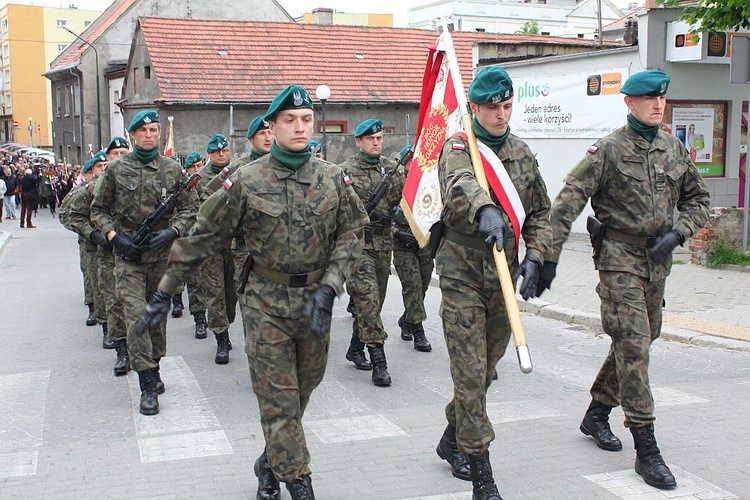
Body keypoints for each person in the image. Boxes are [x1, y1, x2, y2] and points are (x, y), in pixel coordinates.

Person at [134, 84, 367, 499]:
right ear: (272, 127)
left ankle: (269, 461)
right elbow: (203, 236)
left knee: (300, 394)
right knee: (279, 401)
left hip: (316, 301)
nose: (300, 128)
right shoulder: (245, 180)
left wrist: (332, 285)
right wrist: (164, 293)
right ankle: (300, 483)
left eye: (307, 120)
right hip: (265, 304)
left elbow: (353, 232)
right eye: (289, 121)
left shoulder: (332, 178)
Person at [538, 70, 710, 491]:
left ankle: (597, 411)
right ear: (629, 102)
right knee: (634, 344)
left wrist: (678, 232)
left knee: (643, 338)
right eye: (648, 98)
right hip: (618, 259)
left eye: (661, 99)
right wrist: (545, 255)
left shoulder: (673, 146)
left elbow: (699, 200)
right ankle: (646, 446)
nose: (657, 105)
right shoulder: (608, 151)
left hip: (658, 260)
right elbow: (567, 204)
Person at [433, 65, 552, 499]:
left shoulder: (521, 152)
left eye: (506, 106)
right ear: (474, 108)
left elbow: (540, 211)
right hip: (463, 273)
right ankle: (482, 474)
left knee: (484, 371)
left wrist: (537, 255)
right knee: (468, 373)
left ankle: (452, 437)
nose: (501, 115)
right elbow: (460, 183)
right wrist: (485, 209)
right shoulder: (459, 146)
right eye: (492, 108)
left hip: (504, 275)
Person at [90, 110, 197, 416]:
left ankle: (155, 365)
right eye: (144, 130)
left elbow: (189, 209)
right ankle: (147, 385)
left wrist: (173, 231)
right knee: (137, 319)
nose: (150, 135)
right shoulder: (115, 169)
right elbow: (98, 210)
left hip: (160, 259)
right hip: (129, 259)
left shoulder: (172, 169)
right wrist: (113, 237)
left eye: (154, 129)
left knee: (156, 321)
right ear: (133, 134)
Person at [340, 119, 406, 386]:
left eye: (379, 138)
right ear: (358, 141)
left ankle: (356, 347)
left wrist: (401, 211)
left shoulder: (392, 168)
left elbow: (405, 198)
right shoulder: (345, 171)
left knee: (373, 306)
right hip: (357, 248)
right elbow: (338, 210)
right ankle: (379, 361)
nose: (376, 142)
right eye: (370, 139)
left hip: (383, 246)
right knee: (367, 302)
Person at [59, 151, 115, 348]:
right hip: (93, 247)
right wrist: (91, 234)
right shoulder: (87, 190)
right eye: (100, 166)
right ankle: (105, 326)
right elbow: (69, 215)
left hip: (119, 244)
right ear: (92, 170)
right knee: (99, 286)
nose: (104, 169)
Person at [196, 133, 237, 364]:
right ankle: (221, 338)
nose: (221, 154)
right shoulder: (199, 180)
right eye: (216, 151)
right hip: (211, 244)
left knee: (231, 294)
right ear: (209, 154)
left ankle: (226, 323)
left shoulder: (238, 174)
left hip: (234, 244)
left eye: (225, 151)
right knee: (214, 293)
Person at [391, 144, 433, 352]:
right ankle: (418, 329)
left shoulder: (427, 183)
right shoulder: (394, 182)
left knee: (423, 285)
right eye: (410, 160)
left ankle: (407, 319)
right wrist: (395, 232)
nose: (413, 163)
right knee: (413, 286)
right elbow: (377, 215)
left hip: (423, 242)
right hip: (402, 243)